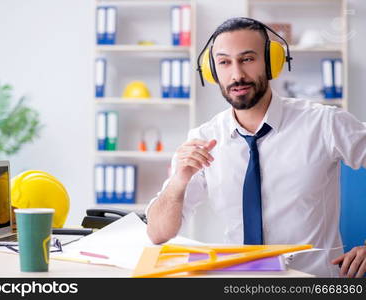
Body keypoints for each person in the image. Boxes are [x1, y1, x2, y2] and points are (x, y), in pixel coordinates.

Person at [145, 17, 366, 277]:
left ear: (272, 63)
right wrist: (178, 181)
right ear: (213, 71)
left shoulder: (324, 123)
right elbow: (157, 233)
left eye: (248, 59)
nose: (237, 75)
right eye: (225, 62)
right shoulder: (203, 138)